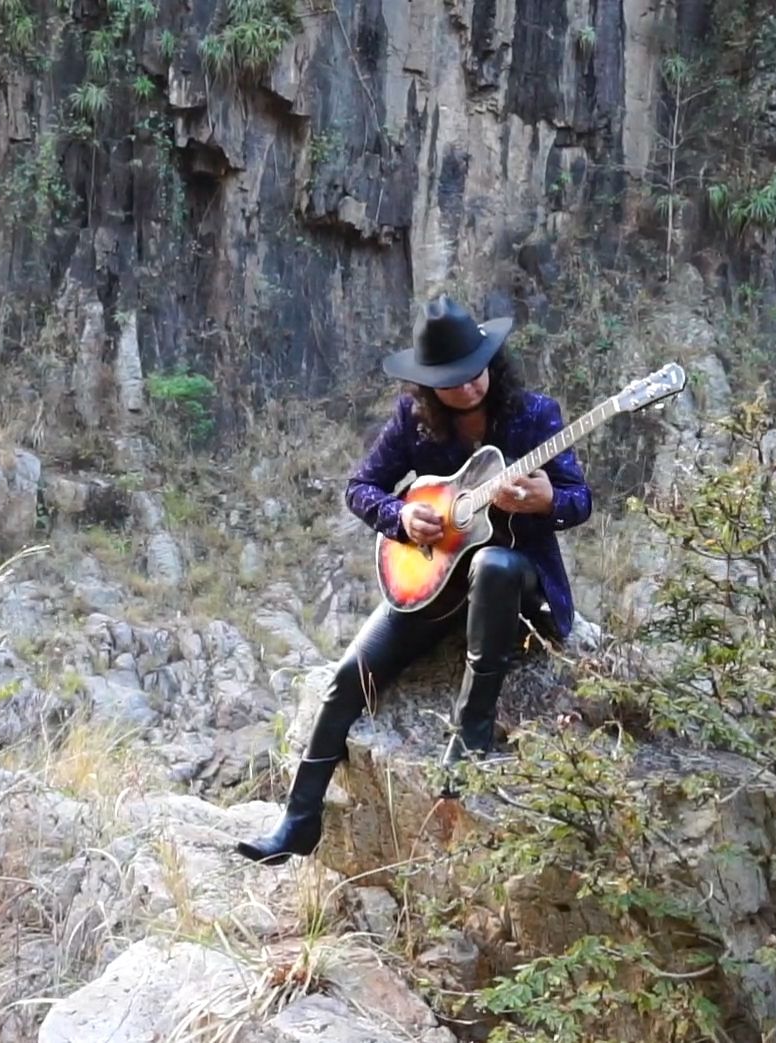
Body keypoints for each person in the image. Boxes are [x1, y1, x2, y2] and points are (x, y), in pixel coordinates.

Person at [236, 294, 593, 866]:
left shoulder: (534, 415)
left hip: (515, 586)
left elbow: (579, 501)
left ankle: (470, 739)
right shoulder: (413, 421)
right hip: (437, 579)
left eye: (476, 371)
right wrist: (400, 517)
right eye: (453, 380)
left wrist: (547, 500)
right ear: (429, 385)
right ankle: (298, 821)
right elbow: (361, 488)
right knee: (349, 677)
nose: (469, 386)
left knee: (493, 563)